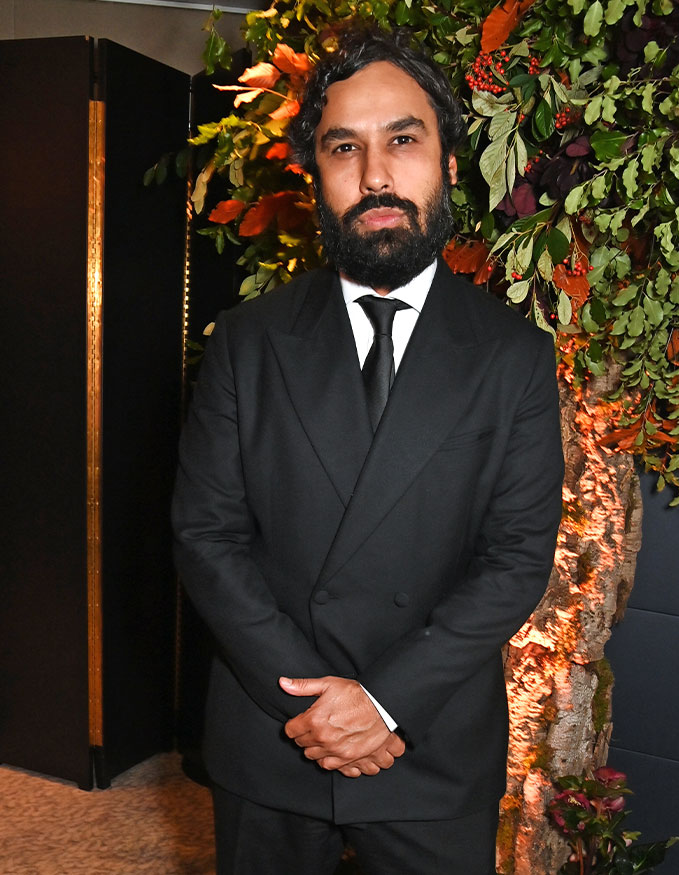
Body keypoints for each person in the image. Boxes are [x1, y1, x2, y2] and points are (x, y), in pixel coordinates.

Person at [172, 26, 563, 875]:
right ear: (314, 172)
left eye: (404, 140)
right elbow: (207, 535)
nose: (376, 176)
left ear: (451, 165)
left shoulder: (515, 356)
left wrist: (384, 704)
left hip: (429, 743)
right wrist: (317, 706)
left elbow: (517, 556)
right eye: (344, 147)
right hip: (275, 732)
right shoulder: (247, 342)